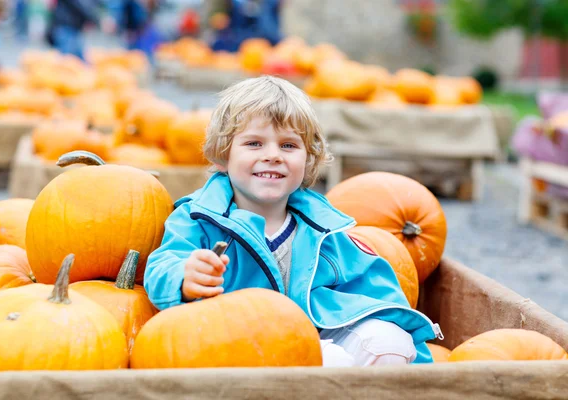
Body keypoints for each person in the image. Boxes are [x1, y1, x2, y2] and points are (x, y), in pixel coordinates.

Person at [144, 76, 442, 366]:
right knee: (327, 361)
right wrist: (185, 276)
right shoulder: (198, 217)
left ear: (308, 158)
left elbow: (376, 293)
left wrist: (416, 353)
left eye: (288, 145)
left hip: (315, 336)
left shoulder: (322, 228)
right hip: (235, 346)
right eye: (254, 144)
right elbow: (161, 266)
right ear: (224, 155)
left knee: (388, 343)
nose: (273, 155)